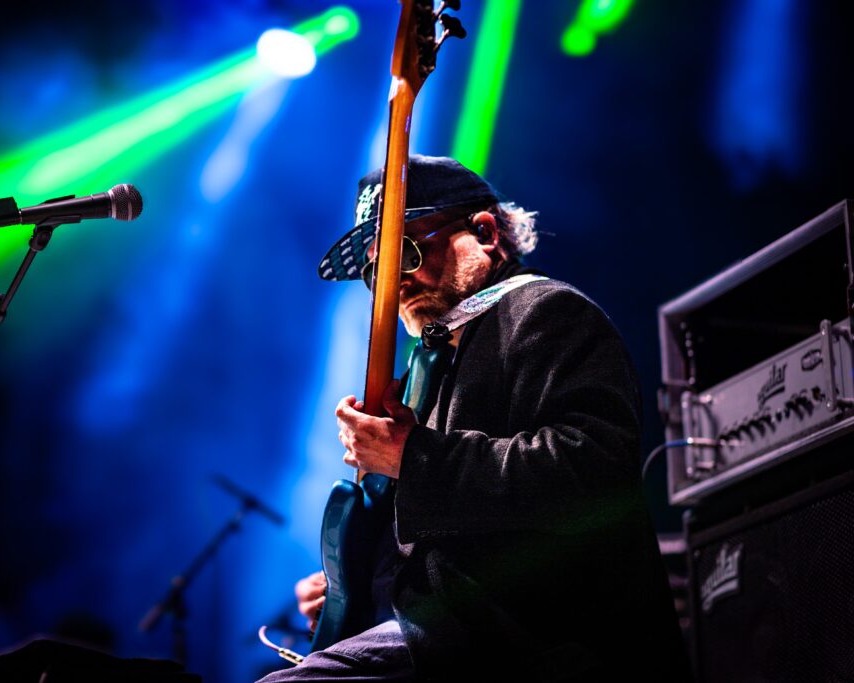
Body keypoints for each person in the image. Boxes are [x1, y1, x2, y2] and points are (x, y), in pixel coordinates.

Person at [258, 155, 691, 681]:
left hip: (537, 646)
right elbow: (438, 539)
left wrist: (412, 456)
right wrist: (354, 586)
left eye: (406, 253)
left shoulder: (546, 310)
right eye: (376, 272)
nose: (392, 285)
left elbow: (593, 470)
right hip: (451, 638)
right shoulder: (429, 368)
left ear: (484, 232)